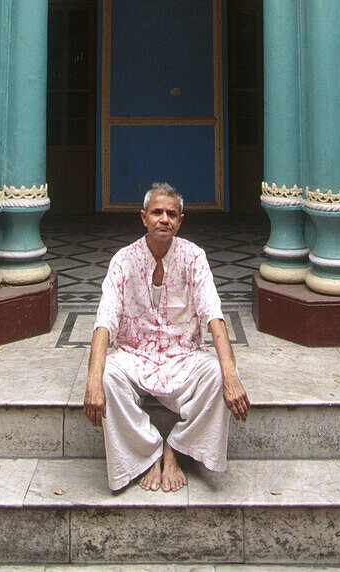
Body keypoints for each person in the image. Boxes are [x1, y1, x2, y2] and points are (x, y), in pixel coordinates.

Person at [84, 182, 250, 492]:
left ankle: (175, 447)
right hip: (135, 355)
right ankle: (148, 453)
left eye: (171, 214)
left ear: (181, 220)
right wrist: (93, 378)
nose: (164, 219)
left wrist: (231, 374)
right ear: (143, 217)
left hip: (183, 356)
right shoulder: (123, 259)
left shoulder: (194, 257)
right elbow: (104, 320)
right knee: (107, 375)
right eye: (157, 212)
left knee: (217, 374)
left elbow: (213, 314)